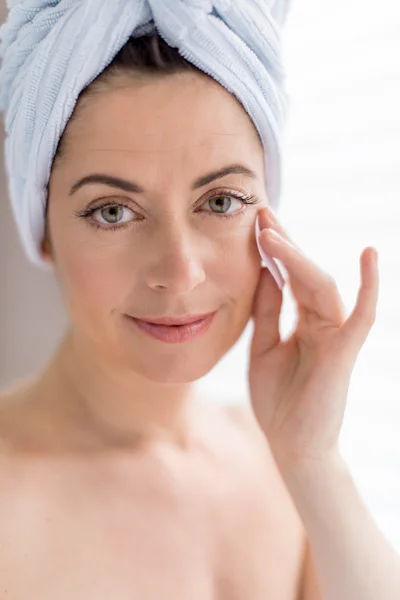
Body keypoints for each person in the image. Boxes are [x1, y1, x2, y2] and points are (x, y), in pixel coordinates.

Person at [0, 30, 318, 599]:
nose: (180, 270)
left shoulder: (283, 461)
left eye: (220, 202)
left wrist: (315, 462)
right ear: (42, 234)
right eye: (113, 211)